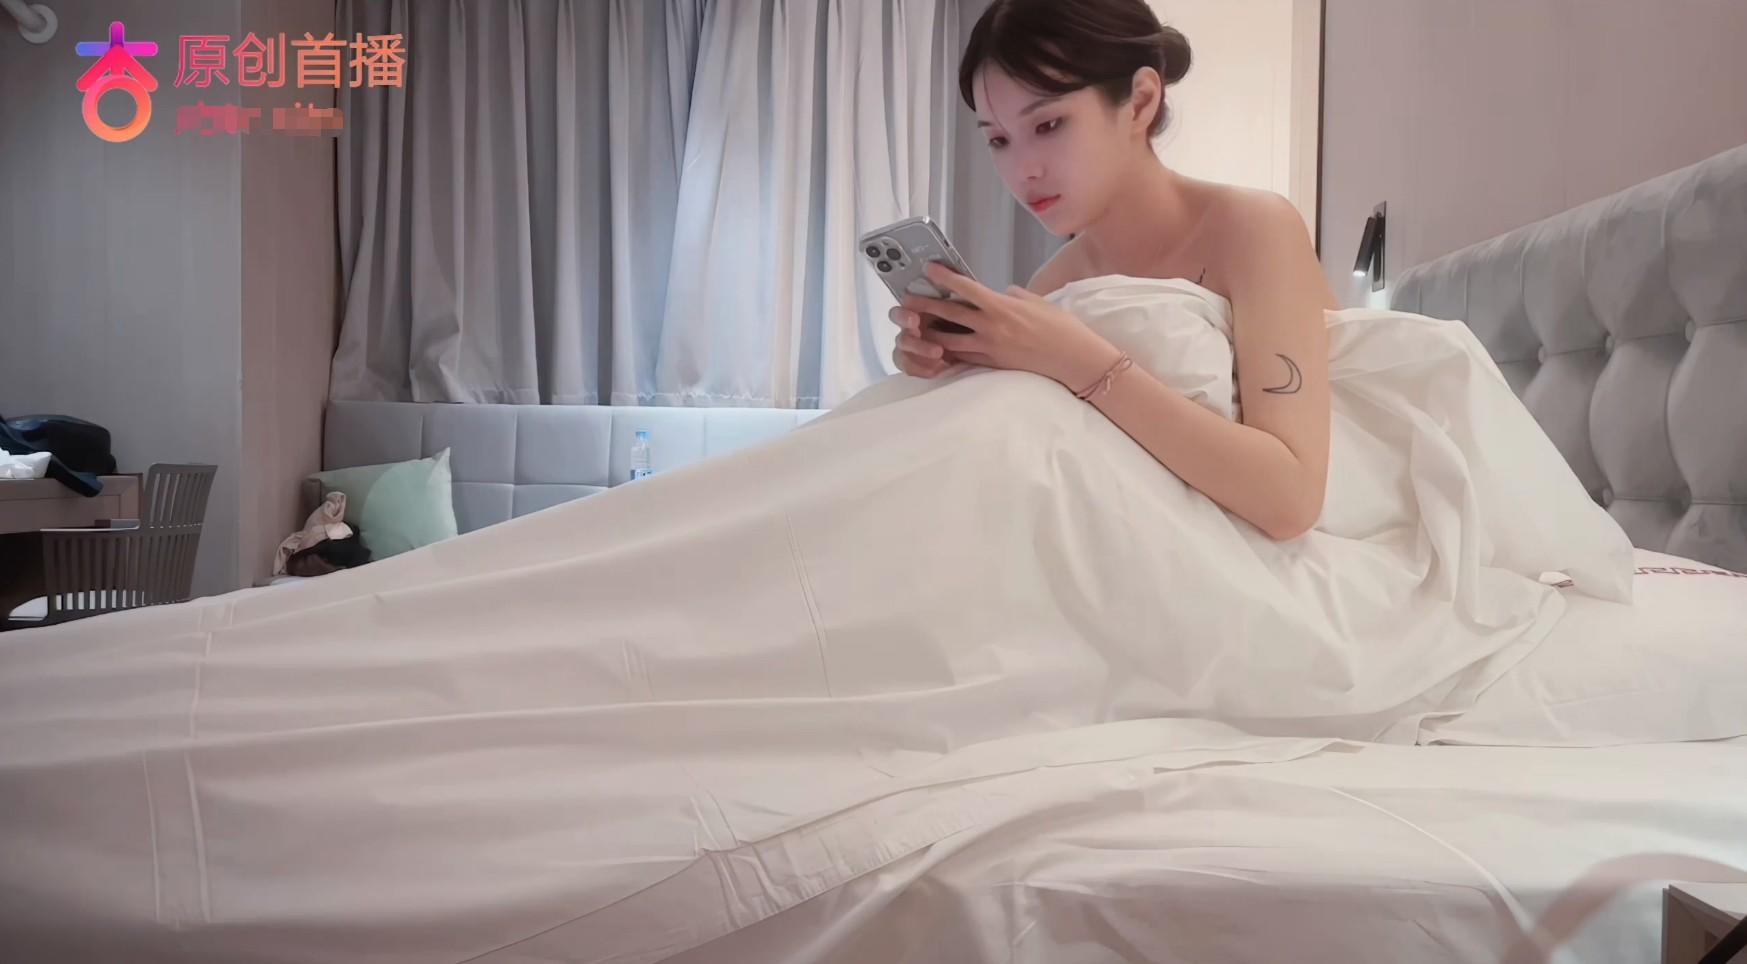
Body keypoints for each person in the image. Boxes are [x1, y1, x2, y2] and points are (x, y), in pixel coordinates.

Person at [890, 0, 1335, 541]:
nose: (1022, 170)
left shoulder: (1253, 229)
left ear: (1141, 101)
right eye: (998, 140)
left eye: (1048, 124)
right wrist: (951, 371)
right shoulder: (1054, 285)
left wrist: (1080, 361)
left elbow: (1292, 499)